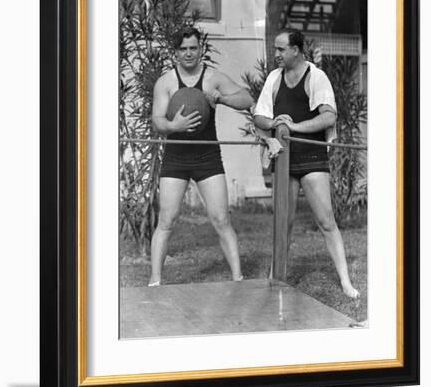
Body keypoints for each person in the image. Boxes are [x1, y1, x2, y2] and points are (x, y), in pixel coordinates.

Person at [253, 29, 359, 298]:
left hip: (311, 158)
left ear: (296, 50)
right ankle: (277, 278)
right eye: (275, 49)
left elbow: (328, 117)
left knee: (326, 221)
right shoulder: (274, 79)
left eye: (280, 49)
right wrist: (274, 123)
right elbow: (259, 117)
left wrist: (294, 126)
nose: (275, 54)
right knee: (283, 223)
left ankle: (346, 282)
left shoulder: (316, 76)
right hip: (284, 158)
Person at [148, 26, 254, 286]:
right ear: (175, 53)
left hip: (208, 157)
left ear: (201, 50)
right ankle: (154, 281)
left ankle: (238, 278)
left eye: (193, 48)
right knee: (167, 220)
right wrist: (174, 127)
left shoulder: (212, 78)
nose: (188, 53)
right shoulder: (166, 82)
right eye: (183, 49)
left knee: (221, 219)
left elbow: (247, 98)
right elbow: (157, 121)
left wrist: (221, 99)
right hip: (176, 159)